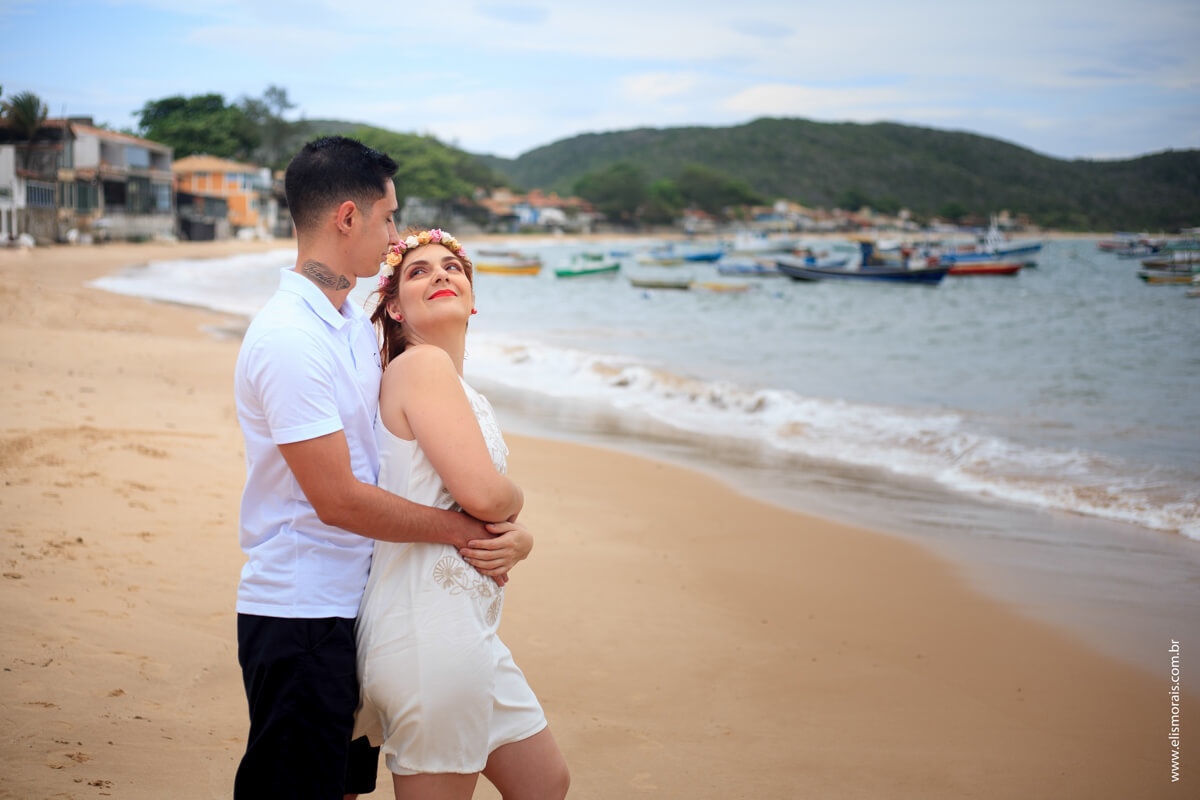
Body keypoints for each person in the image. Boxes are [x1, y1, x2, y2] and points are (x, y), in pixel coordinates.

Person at [232, 137, 515, 799]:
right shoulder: (290, 339)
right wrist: (467, 530)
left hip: (358, 606)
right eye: (389, 218)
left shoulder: (347, 329)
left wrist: (510, 533)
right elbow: (339, 500)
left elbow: (414, 442)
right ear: (348, 218)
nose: (395, 234)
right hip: (302, 613)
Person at [353, 228, 570, 799]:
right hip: (429, 630)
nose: (441, 275)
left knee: (544, 782)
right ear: (395, 308)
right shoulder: (420, 367)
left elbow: (474, 508)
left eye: (452, 267)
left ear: (473, 298)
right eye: (418, 271)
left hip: (470, 631)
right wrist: (514, 502)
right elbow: (483, 496)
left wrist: (519, 541)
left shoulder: (460, 389)